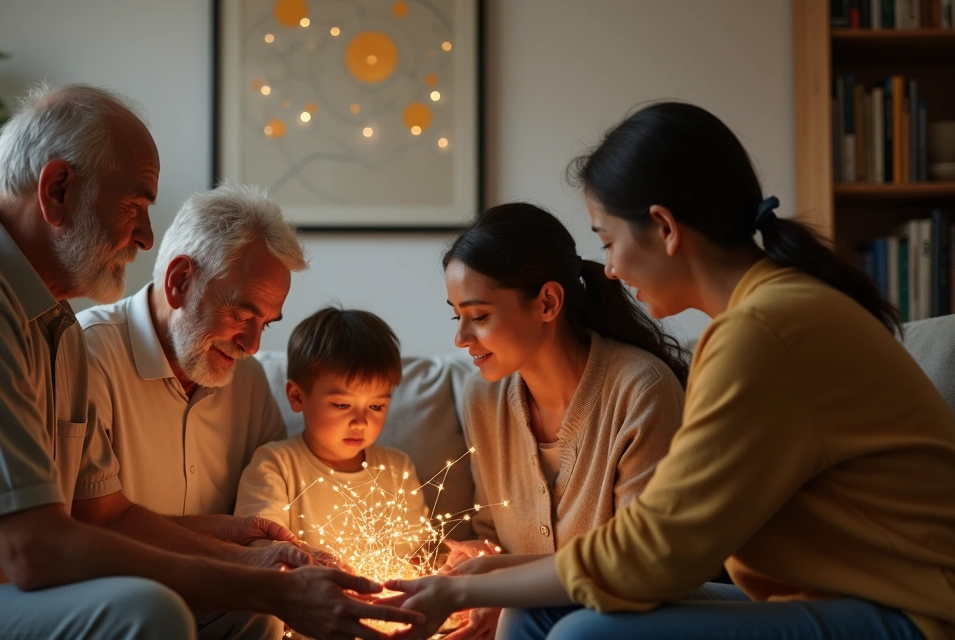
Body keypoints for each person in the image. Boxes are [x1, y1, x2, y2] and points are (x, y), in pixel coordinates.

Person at [0, 83, 423, 640]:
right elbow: (36, 549)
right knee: (145, 611)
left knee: (247, 605)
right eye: (136, 205)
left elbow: (104, 515)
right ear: (58, 190)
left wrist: (261, 563)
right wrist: (261, 583)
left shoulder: (51, 324)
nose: (147, 237)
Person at [383, 102, 955, 640]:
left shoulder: (763, 332)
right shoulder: (759, 318)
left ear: (664, 227)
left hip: (909, 611)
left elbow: (659, 550)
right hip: (826, 598)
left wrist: (459, 589)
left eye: (608, 241)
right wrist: (488, 577)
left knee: (586, 633)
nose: (606, 269)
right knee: (538, 611)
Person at [436, 202, 688, 639]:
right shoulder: (482, 398)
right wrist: (481, 560)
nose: (460, 338)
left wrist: (501, 583)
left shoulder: (640, 390)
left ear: (548, 302)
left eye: (478, 316)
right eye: (455, 315)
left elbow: (638, 567)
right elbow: (492, 531)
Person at [77, 184, 298, 522]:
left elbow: (273, 512)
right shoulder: (86, 356)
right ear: (180, 281)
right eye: (241, 315)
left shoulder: (250, 382)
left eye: (265, 324)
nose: (252, 346)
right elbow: (94, 527)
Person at [234, 307, 427, 567]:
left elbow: (417, 552)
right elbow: (261, 549)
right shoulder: (275, 465)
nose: (361, 422)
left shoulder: (397, 469)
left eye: (376, 406)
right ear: (297, 396)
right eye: (342, 405)